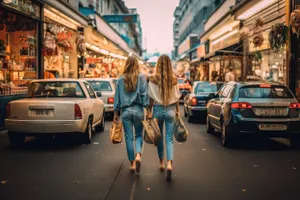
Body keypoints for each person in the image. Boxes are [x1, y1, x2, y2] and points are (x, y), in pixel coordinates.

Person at [147, 54, 181, 180]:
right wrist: (177, 110)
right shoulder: (175, 80)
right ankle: (169, 163)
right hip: (171, 110)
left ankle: (161, 162)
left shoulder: (153, 79)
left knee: (159, 137)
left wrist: (149, 111)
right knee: (169, 139)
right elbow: (177, 97)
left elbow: (150, 96)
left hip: (157, 110)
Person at [113, 56, 149, 173]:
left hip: (126, 112)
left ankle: (132, 163)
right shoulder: (141, 78)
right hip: (138, 111)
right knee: (138, 135)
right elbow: (144, 95)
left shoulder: (120, 79)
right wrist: (148, 110)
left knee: (128, 138)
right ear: (137, 65)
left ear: (126, 65)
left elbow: (117, 98)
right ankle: (138, 155)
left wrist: (115, 113)